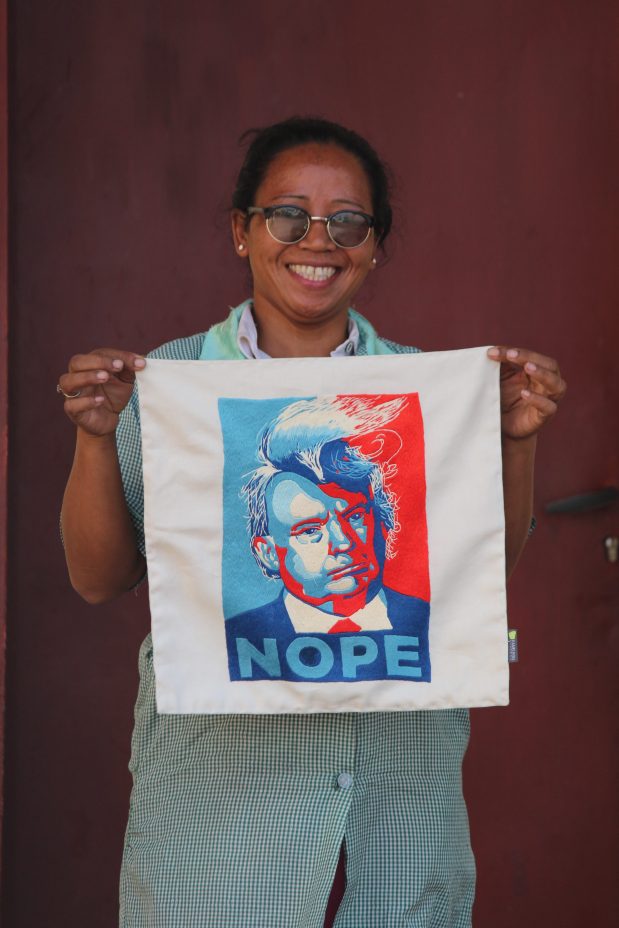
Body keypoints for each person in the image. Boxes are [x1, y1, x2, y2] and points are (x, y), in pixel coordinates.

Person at [58, 117, 566, 928]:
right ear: (242, 230)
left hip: (399, 786)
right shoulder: (170, 381)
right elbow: (97, 579)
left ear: (374, 245)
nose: (317, 239)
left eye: (348, 221)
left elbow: (477, 573)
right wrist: (95, 436)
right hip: (216, 794)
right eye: (288, 214)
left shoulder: (426, 392)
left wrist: (514, 443)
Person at [225, 394, 431, 684]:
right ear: (268, 553)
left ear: (382, 519)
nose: (344, 542)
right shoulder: (230, 637)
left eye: (355, 517)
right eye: (310, 531)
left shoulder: (436, 619)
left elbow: (501, 649)